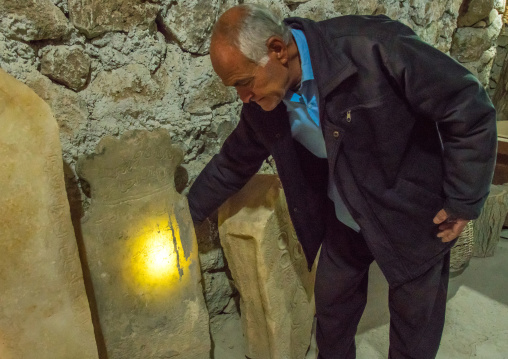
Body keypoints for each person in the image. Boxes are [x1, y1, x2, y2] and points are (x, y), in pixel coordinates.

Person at [187, 4, 497, 359]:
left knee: (415, 329)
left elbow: (467, 106)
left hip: (411, 213)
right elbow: (232, 162)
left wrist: (463, 199)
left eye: (244, 83)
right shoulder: (264, 104)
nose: (244, 98)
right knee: (332, 313)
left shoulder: (374, 47)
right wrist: (188, 214)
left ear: (277, 50)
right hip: (346, 216)